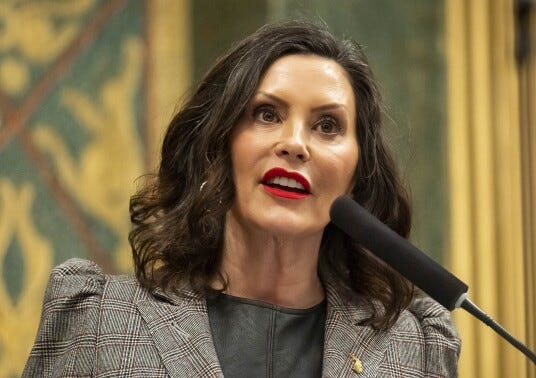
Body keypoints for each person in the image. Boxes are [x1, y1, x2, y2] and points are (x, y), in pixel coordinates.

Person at [24, 21, 460, 377]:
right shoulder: (100, 320)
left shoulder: (411, 347)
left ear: (355, 174)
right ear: (221, 145)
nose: (294, 144)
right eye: (267, 114)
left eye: (327, 126)